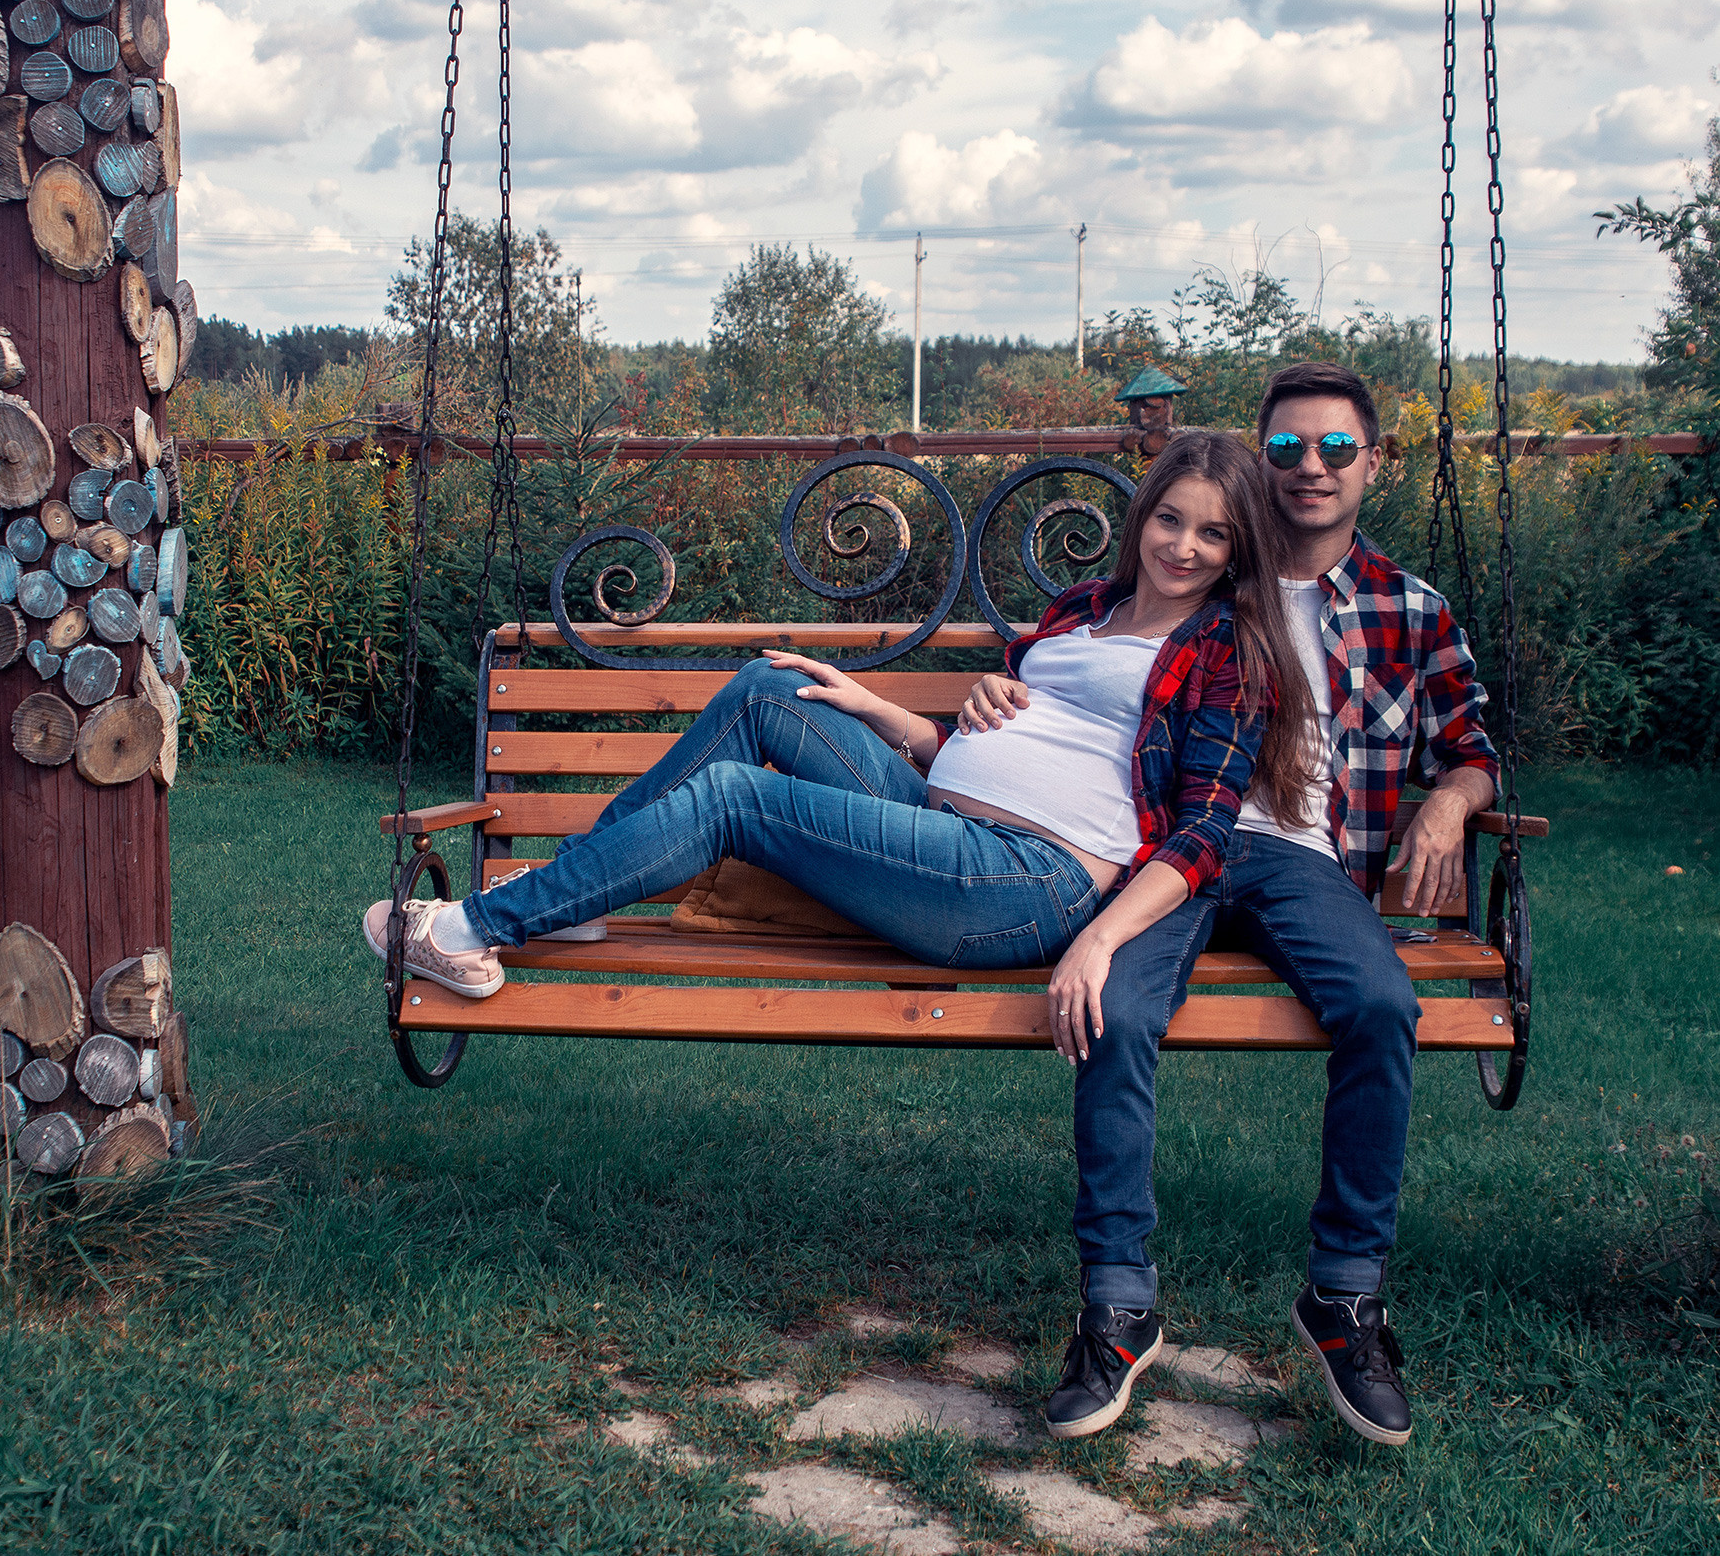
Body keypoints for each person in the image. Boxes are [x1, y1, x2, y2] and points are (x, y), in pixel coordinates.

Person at [365, 432, 1315, 1069]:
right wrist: (882, 709)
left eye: (1212, 533)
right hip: (939, 816)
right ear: (1145, 512)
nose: (1183, 546)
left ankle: (473, 931)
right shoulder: (1082, 615)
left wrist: (1102, 938)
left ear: (1237, 551)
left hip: (1029, 882)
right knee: (771, 689)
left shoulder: (1227, 650)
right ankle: (573, 897)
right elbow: (999, 744)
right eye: (1170, 518)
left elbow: (1204, 834)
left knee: (739, 796)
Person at [1031, 362, 1498, 1450]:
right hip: (1161, 851)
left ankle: (1342, 1294)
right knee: (1117, 1012)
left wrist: (1447, 806)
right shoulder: (1205, 569)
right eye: (1286, 449)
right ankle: (1117, 1302)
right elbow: (1068, 670)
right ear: (1260, 456)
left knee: (1382, 1006)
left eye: (1336, 449)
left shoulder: (1406, 608)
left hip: (1297, 858)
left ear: (1371, 462)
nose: (1311, 469)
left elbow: (1474, 752)